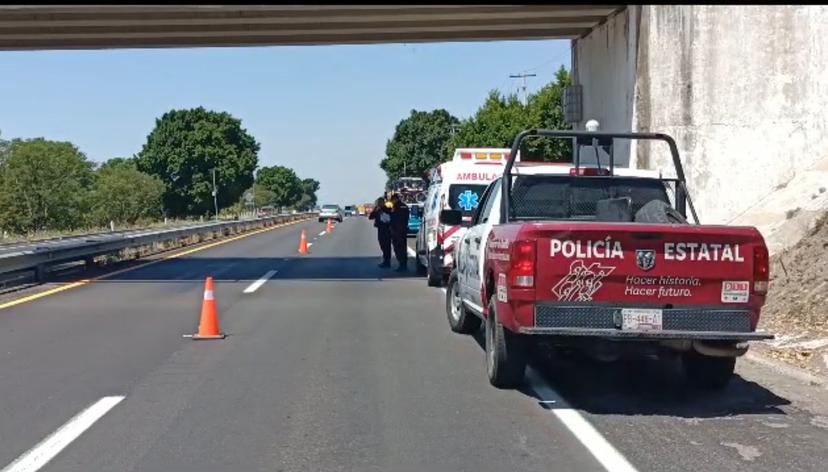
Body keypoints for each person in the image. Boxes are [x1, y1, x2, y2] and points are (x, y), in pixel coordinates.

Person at [368, 196, 392, 268]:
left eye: (380, 202)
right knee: (382, 244)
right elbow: (370, 217)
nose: (379, 203)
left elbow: (389, 217)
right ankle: (385, 260)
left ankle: (387, 261)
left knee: (386, 245)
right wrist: (375, 210)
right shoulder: (377, 209)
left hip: (387, 229)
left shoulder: (387, 209)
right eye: (378, 202)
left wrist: (381, 211)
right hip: (380, 229)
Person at [388, 193, 410, 272]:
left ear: (395, 199)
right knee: (402, 247)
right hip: (403, 230)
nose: (392, 202)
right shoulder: (405, 206)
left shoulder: (396, 207)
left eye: (392, 200)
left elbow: (394, 218)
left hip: (397, 230)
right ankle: (403, 264)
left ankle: (402, 265)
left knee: (398, 248)